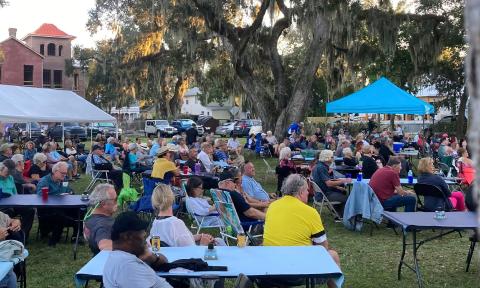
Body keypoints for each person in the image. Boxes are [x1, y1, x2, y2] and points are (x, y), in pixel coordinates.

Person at [262, 174, 341, 288]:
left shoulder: (272, 207)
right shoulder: (310, 212)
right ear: (300, 192)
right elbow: (323, 247)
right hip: (296, 272)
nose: (308, 193)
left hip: (270, 269)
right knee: (332, 255)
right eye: (307, 190)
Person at [103, 211, 172, 288]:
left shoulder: (122, 258)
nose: (145, 235)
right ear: (128, 236)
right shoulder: (127, 266)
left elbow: (165, 262)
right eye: (141, 232)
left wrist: (151, 256)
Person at [148, 183, 222, 247]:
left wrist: (199, 236)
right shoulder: (175, 223)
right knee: (219, 241)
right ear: (172, 198)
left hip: (170, 258)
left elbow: (176, 240)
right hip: (188, 260)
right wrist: (203, 244)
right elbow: (192, 253)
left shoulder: (155, 224)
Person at [36, 162, 80, 246]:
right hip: (48, 210)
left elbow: (69, 190)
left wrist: (70, 192)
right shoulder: (44, 181)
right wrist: (56, 196)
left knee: (79, 209)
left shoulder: (63, 180)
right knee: (60, 215)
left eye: (65, 173)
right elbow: (40, 197)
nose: (64, 175)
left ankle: (76, 236)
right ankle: (53, 240)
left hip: (62, 206)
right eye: (62, 173)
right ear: (55, 171)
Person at [311, 150, 349, 215]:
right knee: (347, 198)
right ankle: (342, 215)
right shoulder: (321, 168)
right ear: (327, 158)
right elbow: (328, 183)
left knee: (341, 191)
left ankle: (338, 213)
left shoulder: (318, 166)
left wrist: (338, 187)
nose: (333, 158)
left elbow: (324, 182)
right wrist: (344, 181)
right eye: (332, 157)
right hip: (324, 195)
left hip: (320, 194)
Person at [83, 183, 118, 255]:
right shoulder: (104, 225)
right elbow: (104, 246)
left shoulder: (90, 217)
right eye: (115, 200)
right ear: (103, 204)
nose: (117, 202)